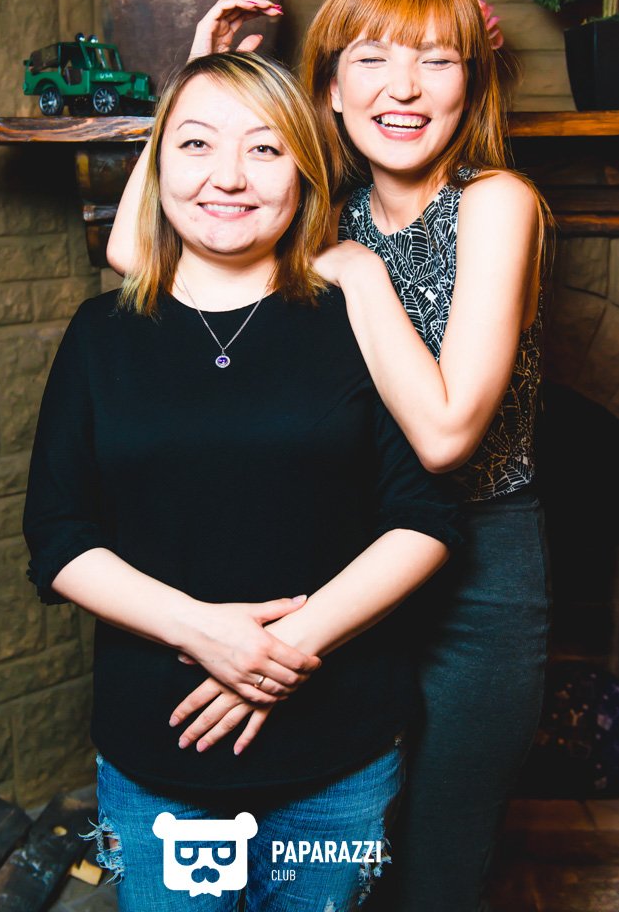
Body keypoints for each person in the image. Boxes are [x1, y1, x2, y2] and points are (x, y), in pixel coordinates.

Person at [106, 0, 552, 912]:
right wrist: (197, 81)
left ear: (470, 84)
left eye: (436, 60)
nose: (404, 87)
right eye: (373, 59)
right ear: (329, 92)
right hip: (350, 563)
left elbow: (445, 438)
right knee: (341, 843)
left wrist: (360, 274)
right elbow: (133, 250)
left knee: (437, 859)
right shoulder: (325, 211)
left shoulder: (493, 203)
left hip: (480, 567)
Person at [23, 50, 460, 912]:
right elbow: (59, 535)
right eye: (195, 144)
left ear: (303, 172)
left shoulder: (354, 315)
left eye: (264, 149)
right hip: (157, 759)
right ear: (158, 169)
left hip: (338, 756)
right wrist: (202, 632)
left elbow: (424, 516)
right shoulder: (100, 333)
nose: (227, 176)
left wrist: (273, 655)